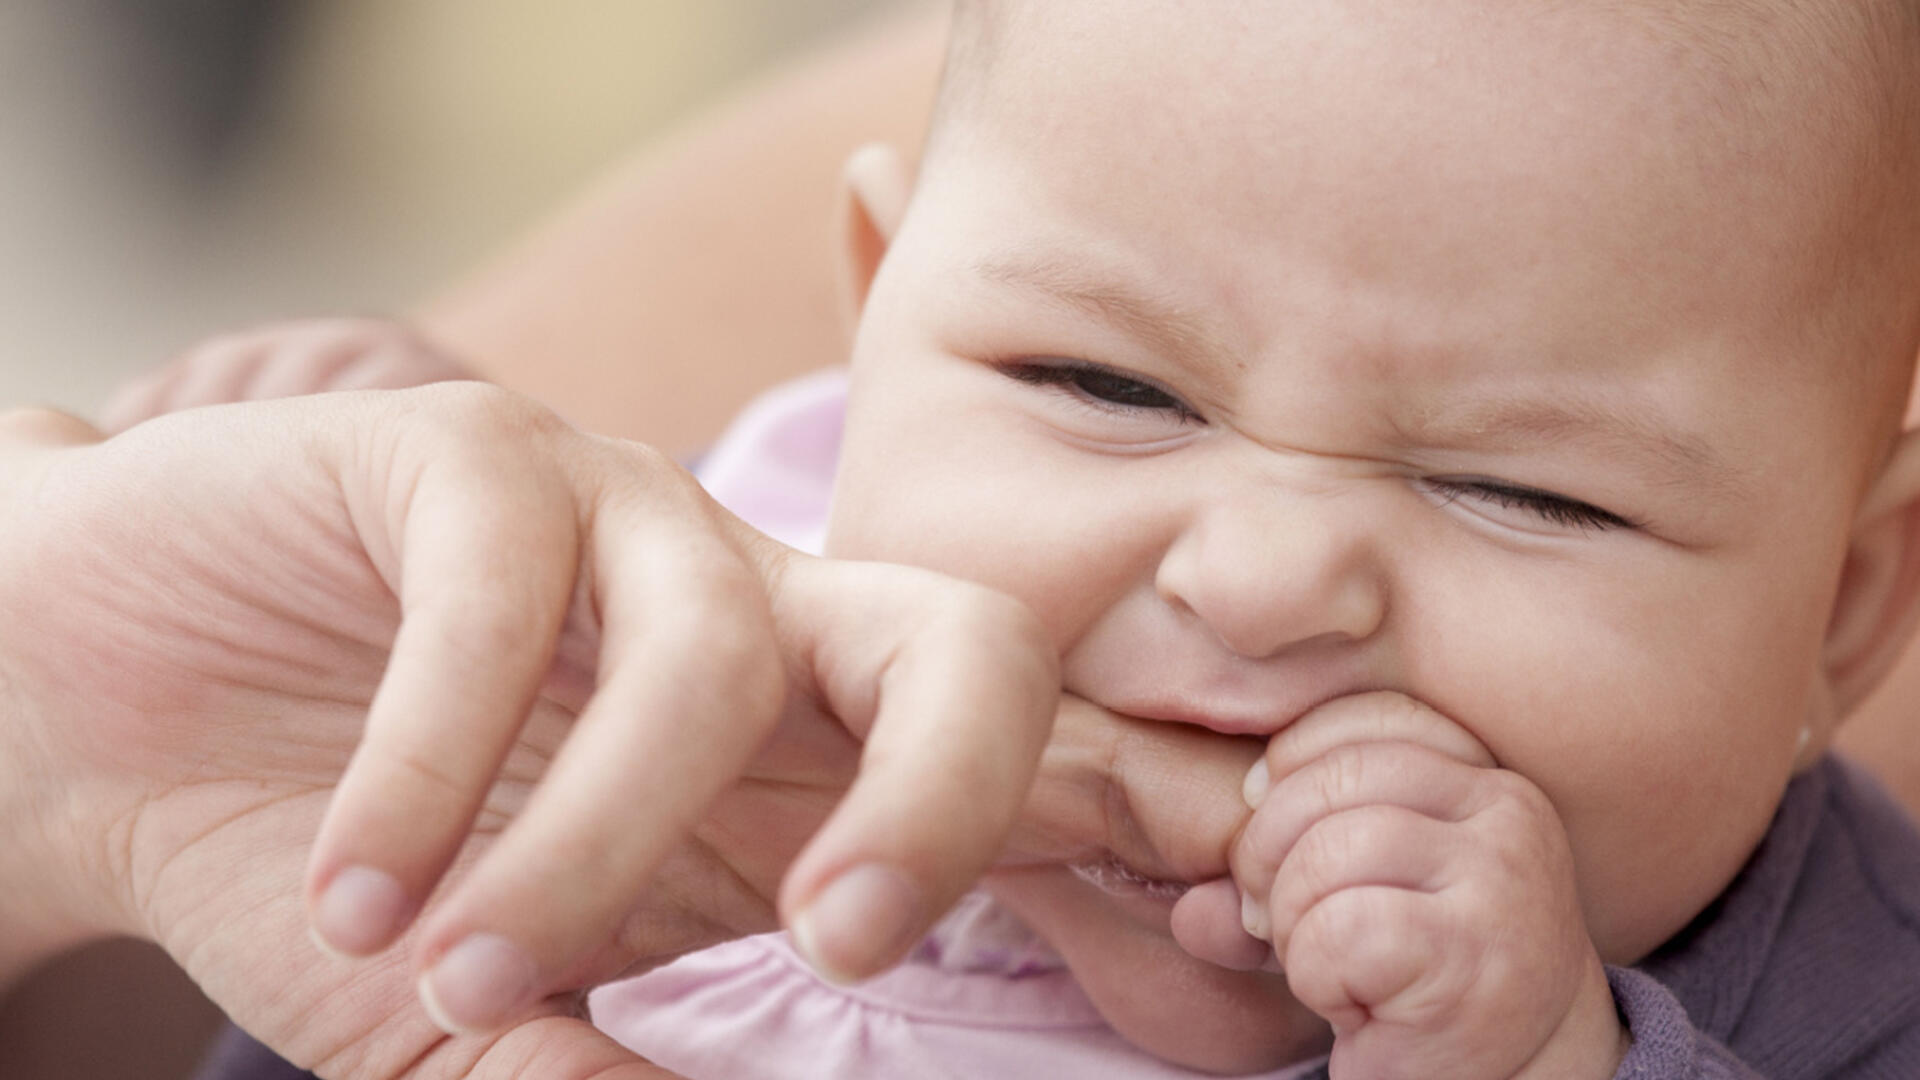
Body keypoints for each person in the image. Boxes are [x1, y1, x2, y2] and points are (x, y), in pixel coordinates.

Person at [12, 1, 1920, 1079]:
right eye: (1101, 383)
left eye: (1531, 493)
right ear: (876, 308)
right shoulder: (676, 634)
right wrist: (369, 640)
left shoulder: (1842, 987)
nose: (1255, 578)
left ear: (1843, 612)